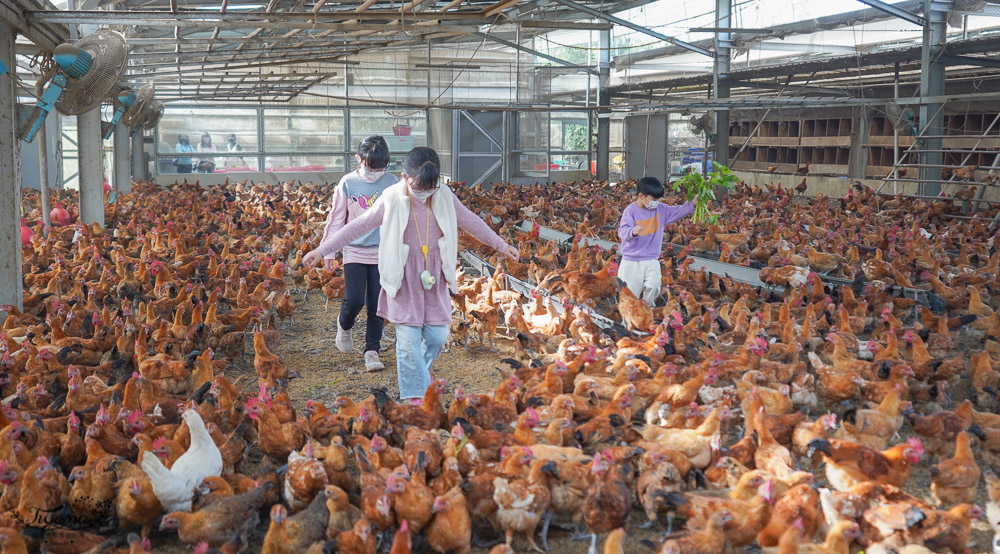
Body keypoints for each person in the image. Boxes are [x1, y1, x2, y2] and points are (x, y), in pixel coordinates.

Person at [303, 147, 518, 401]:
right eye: (419, 186)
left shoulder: (445, 196)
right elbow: (358, 226)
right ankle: (414, 397)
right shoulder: (391, 197)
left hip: (433, 276)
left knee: (438, 337)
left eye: (431, 186)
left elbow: (473, 222)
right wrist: (323, 249)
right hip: (402, 276)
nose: (425, 191)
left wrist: (501, 245)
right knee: (407, 342)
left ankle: (418, 374)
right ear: (405, 177)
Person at [320, 135, 398, 372]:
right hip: (354, 249)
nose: (375, 172)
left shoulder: (392, 182)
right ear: (358, 159)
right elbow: (336, 218)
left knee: (377, 304)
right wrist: (329, 250)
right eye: (369, 167)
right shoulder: (348, 183)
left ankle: (371, 351)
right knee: (354, 299)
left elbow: (400, 217)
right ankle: (344, 325)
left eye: (380, 168)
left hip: (383, 252)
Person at [617, 176, 694, 306]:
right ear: (641, 196)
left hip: (652, 258)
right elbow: (622, 231)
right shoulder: (630, 211)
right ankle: (628, 322)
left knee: (654, 286)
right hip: (632, 260)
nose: (656, 202)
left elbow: (678, 211)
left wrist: (692, 203)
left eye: (658, 199)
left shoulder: (660, 209)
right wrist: (632, 232)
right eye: (654, 199)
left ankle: (648, 311)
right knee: (630, 294)